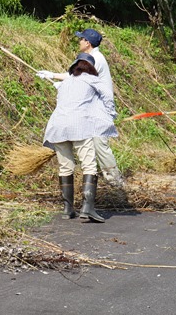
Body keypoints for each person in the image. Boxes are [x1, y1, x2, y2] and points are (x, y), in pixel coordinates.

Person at [37, 28, 125, 188]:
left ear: (88, 43)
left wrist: (54, 76)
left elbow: (75, 77)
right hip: (90, 110)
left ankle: (116, 184)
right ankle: (111, 183)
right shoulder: (93, 57)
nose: (79, 41)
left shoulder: (95, 59)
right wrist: (57, 80)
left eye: (81, 39)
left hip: (99, 111)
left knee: (100, 146)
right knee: (96, 147)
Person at [42, 52, 118, 223]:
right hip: (79, 125)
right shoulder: (92, 79)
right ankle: (87, 208)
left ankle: (68, 209)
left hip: (57, 126)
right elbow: (107, 96)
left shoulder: (66, 82)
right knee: (89, 164)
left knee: (65, 167)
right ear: (90, 68)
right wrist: (111, 114)